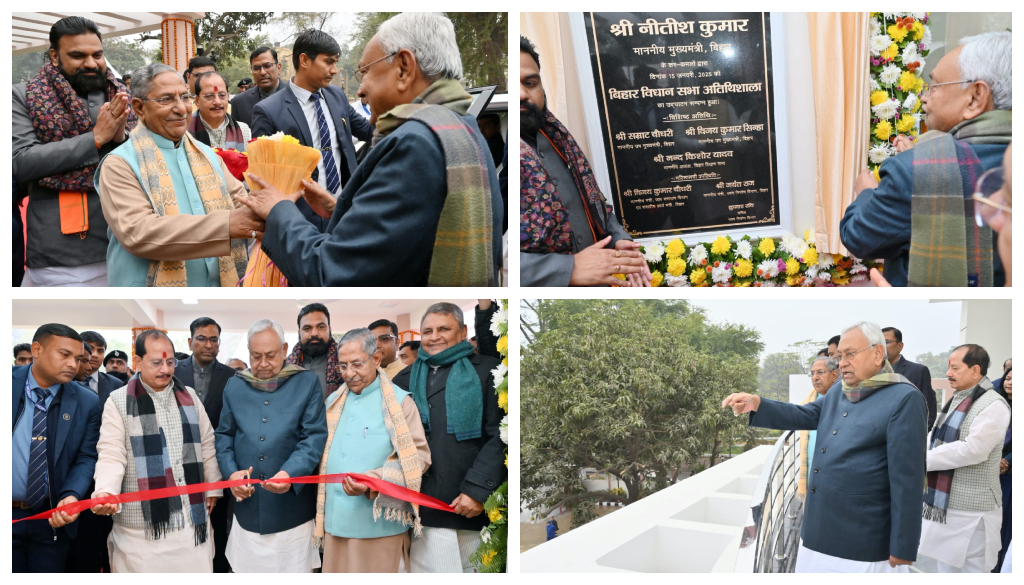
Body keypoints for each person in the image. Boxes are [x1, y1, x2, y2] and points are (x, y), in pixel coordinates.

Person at [237, 13, 502, 287]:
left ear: (404, 68)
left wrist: (280, 209)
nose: (360, 90)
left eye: (365, 72)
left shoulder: (412, 144)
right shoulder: (464, 126)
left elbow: (331, 273)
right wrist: (339, 207)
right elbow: (412, 231)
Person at [722, 321, 927, 572]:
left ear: (877, 353)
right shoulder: (839, 391)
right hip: (817, 530)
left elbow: (908, 481)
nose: (841, 363)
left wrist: (903, 547)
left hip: (863, 540)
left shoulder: (904, 398)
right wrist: (757, 404)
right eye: (840, 356)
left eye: (850, 354)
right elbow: (806, 415)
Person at [841, 31, 1011, 287]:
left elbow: (857, 237)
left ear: (975, 97)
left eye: (935, 86)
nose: (924, 96)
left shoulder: (912, 171)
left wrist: (867, 192)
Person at [95, 62, 262, 287]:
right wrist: (226, 224)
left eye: (184, 97)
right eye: (166, 99)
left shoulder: (207, 155)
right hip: (152, 300)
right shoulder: (120, 163)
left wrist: (270, 205)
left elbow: (241, 200)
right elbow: (139, 233)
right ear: (139, 107)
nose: (181, 108)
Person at [13, 16, 136, 287]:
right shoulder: (23, 95)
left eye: (97, 54)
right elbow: (20, 162)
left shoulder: (121, 94)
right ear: (55, 57)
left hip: (128, 239)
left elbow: (148, 159)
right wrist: (95, 138)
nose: (91, 63)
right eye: (78, 55)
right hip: (61, 255)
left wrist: (121, 137)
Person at [520, 36, 650, 287]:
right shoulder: (499, 155)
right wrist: (567, 269)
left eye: (530, 82)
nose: (523, 94)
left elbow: (594, 203)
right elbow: (493, 259)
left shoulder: (557, 137)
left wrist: (617, 238)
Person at [90, 329, 221, 572]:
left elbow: (207, 442)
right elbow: (111, 453)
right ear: (138, 362)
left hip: (191, 520)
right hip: (141, 527)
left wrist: (212, 485)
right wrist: (106, 491)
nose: (165, 370)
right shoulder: (118, 401)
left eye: (170, 362)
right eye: (156, 362)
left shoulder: (189, 396)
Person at [392, 303, 506, 572]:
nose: (434, 336)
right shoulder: (403, 379)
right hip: (418, 504)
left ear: (463, 331)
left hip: (466, 503)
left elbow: (501, 435)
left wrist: (477, 491)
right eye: (428, 331)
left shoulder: (488, 371)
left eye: (444, 328)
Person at [216, 319, 328, 573]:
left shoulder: (306, 382)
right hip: (246, 510)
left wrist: (290, 473)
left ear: (285, 349)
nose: (263, 364)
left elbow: (313, 437)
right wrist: (231, 473)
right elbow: (224, 436)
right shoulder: (235, 385)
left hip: (291, 510)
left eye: (270, 355)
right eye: (256, 356)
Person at [317, 328, 431, 572]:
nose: (349, 373)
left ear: (376, 359)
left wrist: (373, 481)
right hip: (335, 526)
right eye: (343, 366)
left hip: (379, 528)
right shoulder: (333, 401)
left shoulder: (400, 403)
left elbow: (418, 460)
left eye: (357, 364)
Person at [249, 29, 374, 231]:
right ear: (305, 60)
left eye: (335, 62)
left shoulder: (336, 96)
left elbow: (368, 131)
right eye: (328, 62)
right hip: (300, 221)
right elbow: (263, 178)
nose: (334, 70)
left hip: (345, 211)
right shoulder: (268, 111)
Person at [13, 324, 101, 573]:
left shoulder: (87, 401)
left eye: (79, 359)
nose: (74, 364)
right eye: (65, 355)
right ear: (37, 350)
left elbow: (86, 457)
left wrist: (72, 495)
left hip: (51, 519)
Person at [919, 344, 1011, 572]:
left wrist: (922, 460)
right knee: (946, 568)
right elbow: (933, 437)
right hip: (946, 504)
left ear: (975, 370)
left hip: (975, 510)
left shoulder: (994, 405)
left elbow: (974, 449)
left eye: (954, 368)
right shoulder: (958, 399)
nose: (948, 373)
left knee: (973, 570)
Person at [173, 317, 238, 572]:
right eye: (202, 338)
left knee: (217, 525)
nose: (208, 344)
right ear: (190, 342)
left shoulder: (233, 376)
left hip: (217, 462)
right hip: (177, 462)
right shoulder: (173, 371)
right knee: (179, 525)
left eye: (214, 339)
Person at [798, 357, 839, 497]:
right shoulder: (809, 400)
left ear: (834, 375)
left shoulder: (843, 400)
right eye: (812, 373)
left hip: (833, 474)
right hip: (810, 469)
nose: (815, 378)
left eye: (820, 372)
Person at [883, 327, 938, 429]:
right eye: (878, 343)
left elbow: (929, 409)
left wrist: (919, 436)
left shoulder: (918, 371)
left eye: (887, 342)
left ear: (900, 346)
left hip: (906, 434)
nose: (882, 347)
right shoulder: (872, 372)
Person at [286, 302, 341, 399]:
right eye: (307, 328)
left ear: (330, 330)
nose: (314, 333)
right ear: (299, 333)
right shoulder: (286, 366)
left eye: (321, 327)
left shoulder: (344, 362)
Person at [189, 72, 251, 151]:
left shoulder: (244, 131)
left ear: (228, 97)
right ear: (197, 101)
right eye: (209, 96)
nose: (217, 102)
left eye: (222, 95)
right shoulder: (184, 133)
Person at [231, 47, 286, 127]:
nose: (262, 72)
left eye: (267, 66)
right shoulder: (239, 102)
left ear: (278, 68)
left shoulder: (295, 96)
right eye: (256, 68)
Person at [994, 367, 1012, 572]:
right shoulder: (996, 406)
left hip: (1011, 475)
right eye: (1007, 378)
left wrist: (1006, 460)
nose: (1010, 383)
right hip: (993, 472)